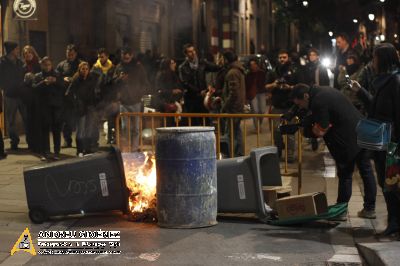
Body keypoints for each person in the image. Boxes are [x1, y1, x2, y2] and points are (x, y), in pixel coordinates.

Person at [290, 84, 377, 221]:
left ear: (306, 96)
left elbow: (321, 129)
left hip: (348, 139)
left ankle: (341, 211)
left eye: (300, 104)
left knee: (345, 174)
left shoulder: (318, 101)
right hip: (363, 131)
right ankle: (370, 209)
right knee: (366, 171)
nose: (301, 107)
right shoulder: (323, 91)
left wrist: (305, 131)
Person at [351, 43, 400, 237]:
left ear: (384, 59)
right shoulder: (383, 80)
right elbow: (375, 106)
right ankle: (394, 221)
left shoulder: (394, 81)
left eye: (375, 58)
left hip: (391, 141)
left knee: (392, 183)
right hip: (381, 138)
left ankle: (395, 222)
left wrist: (395, 143)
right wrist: (361, 91)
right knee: (386, 182)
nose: (373, 62)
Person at [113, 47, 149, 152]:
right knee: (125, 128)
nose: (126, 56)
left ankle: (134, 149)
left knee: (136, 129)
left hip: (136, 102)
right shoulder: (119, 67)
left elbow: (145, 82)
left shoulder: (138, 67)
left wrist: (140, 94)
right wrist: (120, 79)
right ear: (121, 55)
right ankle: (126, 149)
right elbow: (114, 83)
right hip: (124, 103)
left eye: (128, 54)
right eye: (124, 54)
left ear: (131, 55)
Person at [265, 49, 299, 162]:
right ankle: (278, 152)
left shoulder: (294, 70)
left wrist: (290, 87)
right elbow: (266, 86)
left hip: (290, 106)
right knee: (276, 131)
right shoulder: (273, 71)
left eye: (284, 57)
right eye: (280, 57)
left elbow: (300, 86)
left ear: (288, 57)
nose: (282, 59)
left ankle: (290, 156)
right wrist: (274, 84)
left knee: (290, 132)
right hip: (277, 105)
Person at [178, 44, 220, 125]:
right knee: (193, 122)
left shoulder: (202, 62)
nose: (193, 53)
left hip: (202, 97)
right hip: (191, 98)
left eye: (193, 50)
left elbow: (214, 67)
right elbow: (185, 83)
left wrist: (223, 64)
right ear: (186, 54)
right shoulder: (183, 67)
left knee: (205, 120)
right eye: (190, 52)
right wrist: (198, 91)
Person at [32, 57, 64, 160]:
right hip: (44, 106)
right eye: (45, 65)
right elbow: (34, 88)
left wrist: (55, 81)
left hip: (56, 106)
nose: (47, 67)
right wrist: (44, 82)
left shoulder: (57, 74)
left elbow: (63, 86)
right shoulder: (38, 76)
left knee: (56, 129)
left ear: (51, 65)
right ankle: (46, 151)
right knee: (45, 129)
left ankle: (57, 151)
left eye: (49, 64)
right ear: (41, 65)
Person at [66, 62, 99, 157]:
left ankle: (88, 149)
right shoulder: (76, 80)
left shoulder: (91, 79)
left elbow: (95, 91)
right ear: (79, 70)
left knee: (89, 129)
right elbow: (68, 93)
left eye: (86, 69)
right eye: (83, 69)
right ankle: (80, 150)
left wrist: (94, 102)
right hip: (80, 108)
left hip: (90, 107)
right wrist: (76, 102)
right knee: (81, 130)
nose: (85, 71)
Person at [0, 41, 26, 150]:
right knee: (11, 120)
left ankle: (31, 140)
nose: (18, 51)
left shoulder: (20, 62)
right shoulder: (2, 62)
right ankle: (14, 141)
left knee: (26, 117)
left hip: (22, 94)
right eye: (16, 49)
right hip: (10, 95)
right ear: (11, 50)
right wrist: (5, 87)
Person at [56, 44, 82, 148]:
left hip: (78, 96)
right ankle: (67, 140)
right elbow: (56, 77)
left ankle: (81, 140)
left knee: (79, 120)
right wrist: (63, 79)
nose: (69, 55)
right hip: (66, 97)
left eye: (71, 53)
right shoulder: (61, 65)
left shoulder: (81, 64)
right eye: (68, 53)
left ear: (75, 53)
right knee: (67, 120)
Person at [221, 51, 246, 157]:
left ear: (226, 59)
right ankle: (239, 154)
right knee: (236, 132)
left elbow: (233, 92)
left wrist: (225, 106)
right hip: (237, 106)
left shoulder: (232, 72)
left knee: (231, 133)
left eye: (222, 58)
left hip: (233, 108)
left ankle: (234, 155)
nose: (221, 60)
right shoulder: (237, 70)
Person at [91, 48, 116, 144]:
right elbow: (92, 83)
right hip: (98, 97)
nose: (100, 59)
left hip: (109, 97)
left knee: (111, 119)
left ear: (107, 56)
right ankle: (95, 140)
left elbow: (114, 83)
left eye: (102, 57)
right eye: (99, 57)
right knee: (95, 119)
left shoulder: (112, 68)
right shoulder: (95, 68)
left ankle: (110, 139)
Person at [22, 45, 41, 150]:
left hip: (38, 96)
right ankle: (31, 144)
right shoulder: (23, 67)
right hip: (28, 97)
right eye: (25, 53)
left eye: (29, 52)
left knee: (38, 120)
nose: (27, 54)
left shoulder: (39, 64)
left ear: (33, 53)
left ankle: (39, 143)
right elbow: (21, 83)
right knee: (29, 121)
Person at [155, 58, 183, 125]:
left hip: (175, 104)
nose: (175, 65)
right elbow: (159, 90)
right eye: (172, 63)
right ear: (168, 65)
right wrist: (172, 91)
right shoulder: (161, 75)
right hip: (166, 106)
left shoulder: (173, 74)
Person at [246, 58, 267, 130]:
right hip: (252, 94)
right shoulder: (248, 74)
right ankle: (257, 127)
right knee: (255, 111)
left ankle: (260, 123)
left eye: (254, 64)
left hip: (261, 93)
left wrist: (268, 92)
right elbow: (246, 86)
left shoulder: (262, 73)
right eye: (251, 65)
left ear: (257, 65)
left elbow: (265, 83)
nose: (253, 66)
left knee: (262, 110)